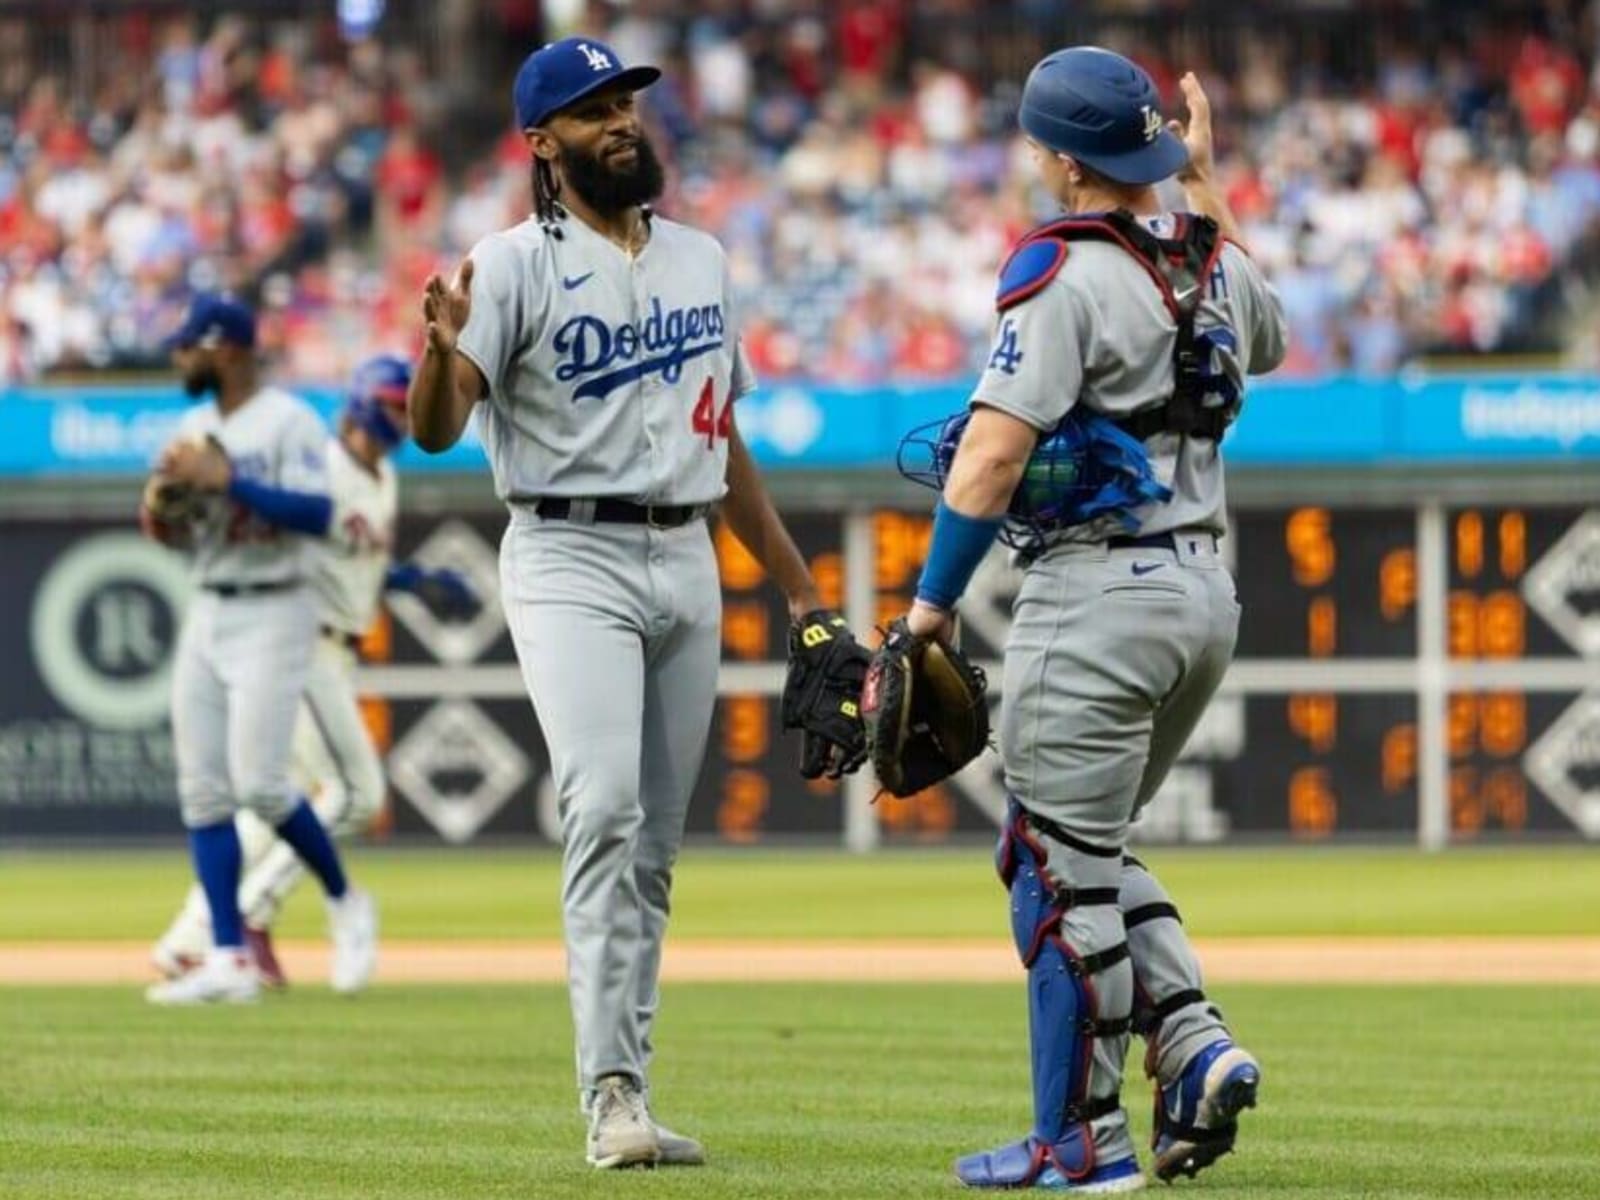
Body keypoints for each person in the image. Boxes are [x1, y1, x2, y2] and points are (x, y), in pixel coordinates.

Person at [407, 37, 845, 1170]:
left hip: (685, 550)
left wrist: (801, 591)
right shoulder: (507, 264)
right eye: (594, 109)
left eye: (627, 104)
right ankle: (605, 1094)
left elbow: (725, 437)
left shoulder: (700, 258)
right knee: (600, 808)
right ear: (541, 142)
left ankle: (632, 1084)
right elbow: (439, 425)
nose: (621, 123)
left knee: (653, 845)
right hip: (566, 555)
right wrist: (437, 353)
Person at [892, 52, 1288, 1191]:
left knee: (1050, 870)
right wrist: (1202, 182)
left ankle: (1081, 1139)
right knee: (1088, 847)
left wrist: (927, 611)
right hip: (1206, 594)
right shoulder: (1211, 255)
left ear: (1062, 159)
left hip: (1100, 594)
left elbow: (991, 457)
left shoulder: (1055, 270)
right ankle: (1193, 1044)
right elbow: (1268, 340)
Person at [149, 354, 476, 991]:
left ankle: (190, 937)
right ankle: (249, 915)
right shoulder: (321, 464)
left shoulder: (381, 477)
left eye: (401, 406)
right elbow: (292, 530)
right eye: (387, 403)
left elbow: (354, 560)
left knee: (269, 802)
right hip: (297, 641)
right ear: (358, 402)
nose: (396, 418)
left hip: (330, 645)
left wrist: (413, 580)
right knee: (357, 794)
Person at [141, 294, 380, 1006]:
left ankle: (344, 898)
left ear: (231, 350)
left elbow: (316, 513)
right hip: (210, 601)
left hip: (278, 605)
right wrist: (164, 506)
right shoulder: (194, 424)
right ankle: (227, 956)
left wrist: (230, 480)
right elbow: (178, 530)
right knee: (204, 791)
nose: (182, 357)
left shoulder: (289, 421)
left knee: (262, 784)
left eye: (194, 346)